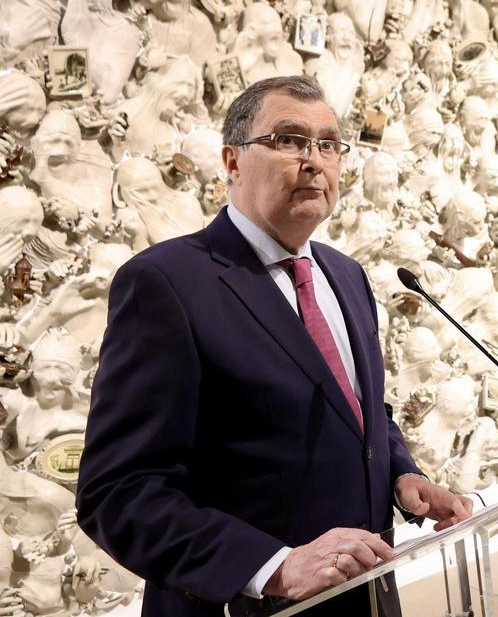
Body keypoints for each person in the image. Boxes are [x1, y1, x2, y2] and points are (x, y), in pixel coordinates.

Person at [77, 77, 474, 616]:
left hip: (365, 595)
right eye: (289, 140)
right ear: (233, 161)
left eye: (329, 144)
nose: (314, 161)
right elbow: (119, 493)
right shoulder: (165, 283)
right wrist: (272, 566)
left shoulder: (346, 275)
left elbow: (358, 412)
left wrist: (403, 474)